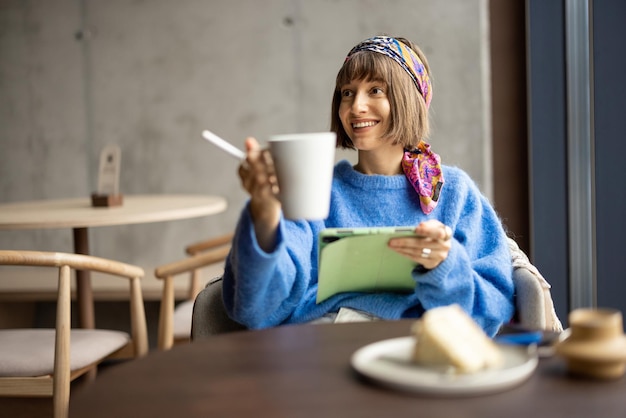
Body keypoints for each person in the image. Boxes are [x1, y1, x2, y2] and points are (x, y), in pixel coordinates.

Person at [222, 35, 514, 336]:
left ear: (409, 100)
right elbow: (258, 312)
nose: (356, 106)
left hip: (415, 347)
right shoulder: (313, 189)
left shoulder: (453, 193)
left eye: (375, 90)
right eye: (347, 93)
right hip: (321, 347)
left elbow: (490, 314)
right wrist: (266, 213)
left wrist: (444, 265)